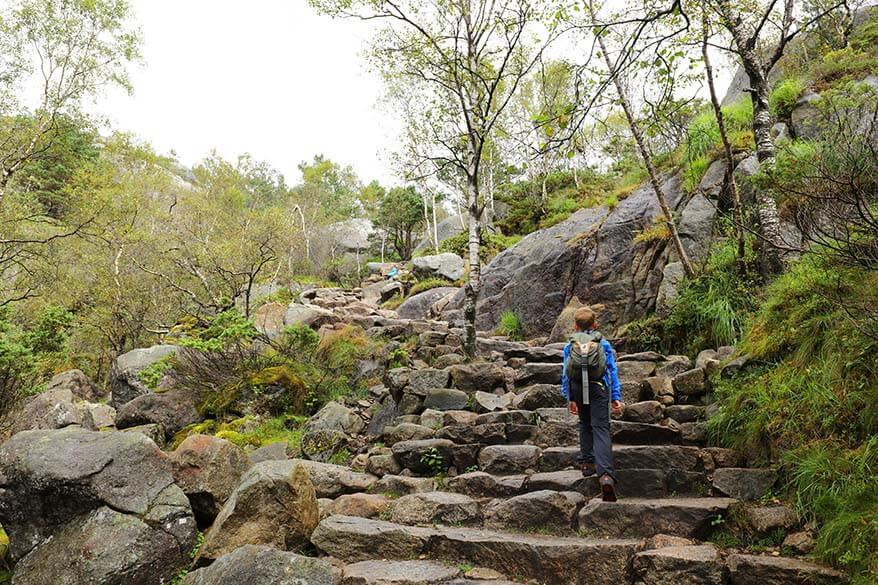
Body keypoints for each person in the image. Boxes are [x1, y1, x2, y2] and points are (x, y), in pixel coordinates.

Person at [560, 306, 623, 502]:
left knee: (584, 423)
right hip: (598, 387)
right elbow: (611, 371)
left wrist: (569, 396)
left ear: (575, 325)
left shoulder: (570, 345)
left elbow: (565, 373)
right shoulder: (602, 343)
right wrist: (615, 397)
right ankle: (605, 476)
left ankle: (587, 463)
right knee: (601, 427)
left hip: (578, 388)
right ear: (595, 324)